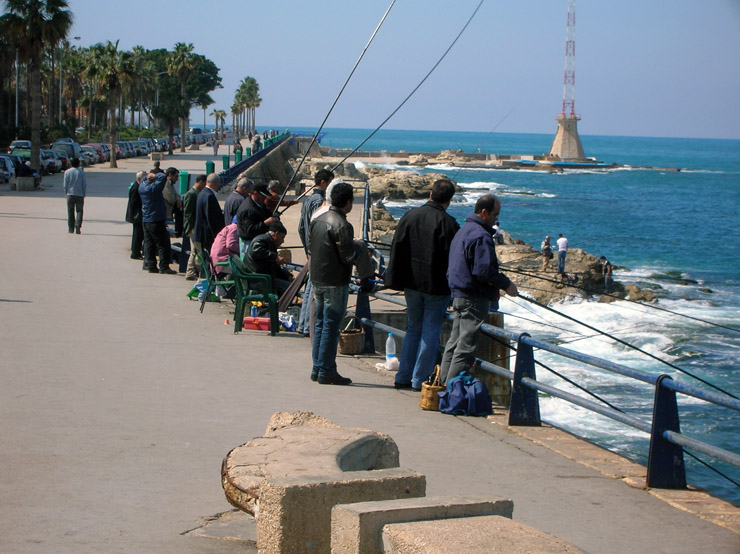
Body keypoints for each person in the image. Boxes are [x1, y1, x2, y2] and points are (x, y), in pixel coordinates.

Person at [386, 179, 460, 391]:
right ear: (449, 200)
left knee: (413, 329)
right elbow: (455, 260)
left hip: (411, 283)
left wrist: (395, 276)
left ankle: (403, 376)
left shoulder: (410, 216)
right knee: (430, 332)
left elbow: (397, 247)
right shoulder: (449, 224)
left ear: (430, 194)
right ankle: (420, 380)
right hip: (436, 287)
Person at [439, 194, 518, 385]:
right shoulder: (481, 236)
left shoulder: (463, 230)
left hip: (458, 295)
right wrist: (506, 285)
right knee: (465, 349)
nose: (496, 220)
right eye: (494, 215)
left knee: (453, 344)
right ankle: (451, 392)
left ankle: (441, 386)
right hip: (473, 299)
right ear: (484, 212)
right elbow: (484, 271)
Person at [308, 182, 358, 385]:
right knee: (330, 325)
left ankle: (318, 367)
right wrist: (361, 251)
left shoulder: (318, 219)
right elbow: (348, 256)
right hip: (334, 281)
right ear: (348, 202)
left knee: (320, 324)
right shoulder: (342, 225)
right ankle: (327, 369)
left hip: (317, 278)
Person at [297, 169, 334, 336]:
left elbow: (301, 228)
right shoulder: (319, 202)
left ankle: (303, 324)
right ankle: (306, 326)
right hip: (317, 252)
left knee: (309, 289)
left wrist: (306, 248)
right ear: (324, 182)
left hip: (310, 250)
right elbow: (316, 229)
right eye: (330, 183)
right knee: (313, 291)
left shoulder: (307, 200)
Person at [139, 172, 176, 274]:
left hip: (146, 219)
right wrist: (154, 176)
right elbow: (163, 177)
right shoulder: (154, 189)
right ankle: (164, 266)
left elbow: (142, 179)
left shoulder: (142, 187)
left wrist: (148, 177)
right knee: (162, 244)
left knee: (149, 244)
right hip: (156, 218)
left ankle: (151, 265)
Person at [244, 222, 294, 296]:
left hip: (264, 277)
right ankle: (280, 306)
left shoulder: (269, 242)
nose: (283, 241)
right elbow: (256, 251)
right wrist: (275, 257)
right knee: (290, 289)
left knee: (290, 286)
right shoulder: (262, 239)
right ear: (276, 234)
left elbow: (274, 267)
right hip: (259, 279)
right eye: (282, 237)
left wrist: (287, 276)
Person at [235, 182, 279, 258]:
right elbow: (248, 231)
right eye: (263, 196)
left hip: (258, 240)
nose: (265, 198)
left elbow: (266, 212)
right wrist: (265, 223)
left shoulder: (258, 203)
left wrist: (274, 216)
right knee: (251, 266)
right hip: (249, 243)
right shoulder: (248, 209)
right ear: (255, 193)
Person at [182, 174, 207, 281]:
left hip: (194, 226)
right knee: (197, 249)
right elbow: (187, 213)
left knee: (194, 250)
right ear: (201, 182)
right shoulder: (192, 194)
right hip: (193, 227)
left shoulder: (196, 193)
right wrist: (193, 227)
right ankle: (193, 271)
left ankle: (190, 271)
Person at [193, 173, 225, 254]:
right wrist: (216, 236)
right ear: (216, 183)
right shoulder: (209, 196)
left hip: (201, 234)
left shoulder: (202, 193)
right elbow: (210, 218)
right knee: (208, 258)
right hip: (207, 236)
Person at [125, 171, 146, 259]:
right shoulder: (135, 187)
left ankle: (136, 251)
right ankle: (135, 253)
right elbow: (133, 202)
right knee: (137, 235)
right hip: (136, 215)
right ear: (139, 179)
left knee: (138, 234)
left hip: (137, 214)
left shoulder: (138, 186)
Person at [63, 157, 86, 234]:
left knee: (70, 211)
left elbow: (65, 185)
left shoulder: (67, 172)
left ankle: (70, 228)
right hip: (79, 194)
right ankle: (78, 226)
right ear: (78, 163)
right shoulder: (81, 172)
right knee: (79, 211)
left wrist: (66, 193)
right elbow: (84, 184)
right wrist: (84, 193)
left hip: (70, 194)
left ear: (71, 163)